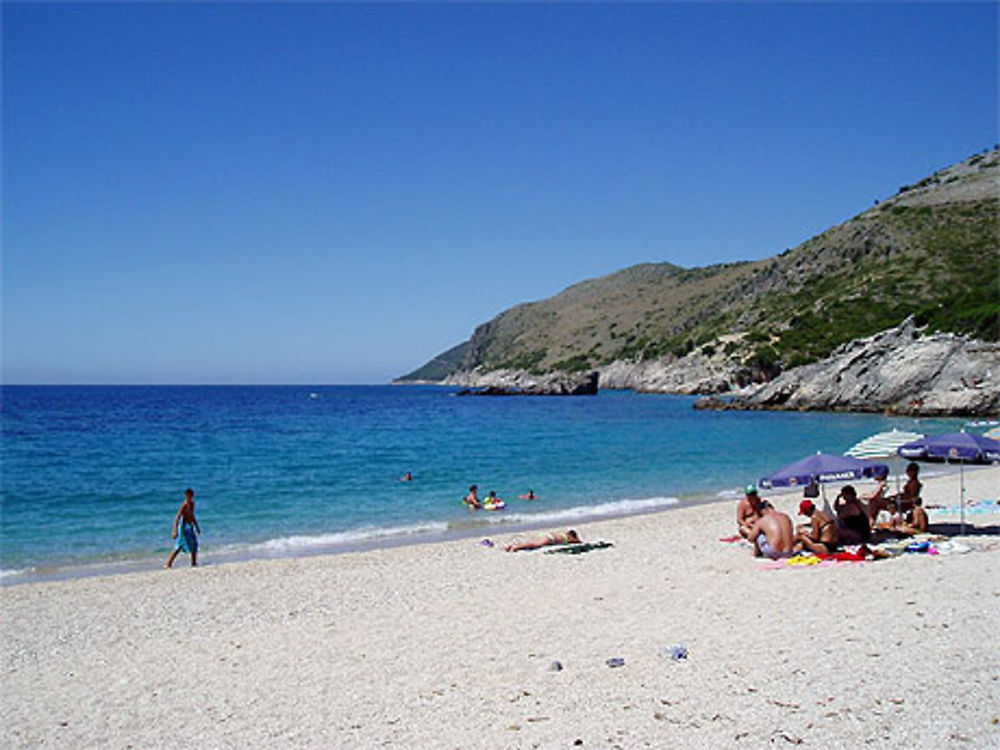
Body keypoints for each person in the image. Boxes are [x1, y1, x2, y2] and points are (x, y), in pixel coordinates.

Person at [165, 488, 201, 568]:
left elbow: (192, 516)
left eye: (191, 496)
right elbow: (177, 518)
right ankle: (169, 563)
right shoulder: (184, 505)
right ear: (186, 496)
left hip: (190, 526)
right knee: (180, 545)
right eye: (188, 496)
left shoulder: (192, 504)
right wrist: (175, 531)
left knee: (194, 544)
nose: (189, 498)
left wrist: (197, 526)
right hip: (183, 527)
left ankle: (193, 563)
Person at [505, 529, 580, 552]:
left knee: (532, 542)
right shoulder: (567, 538)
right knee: (535, 544)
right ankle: (516, 547)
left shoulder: (563, 534)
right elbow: (576, 541)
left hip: (547, 535)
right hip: (550, 538)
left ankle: (511, 546)